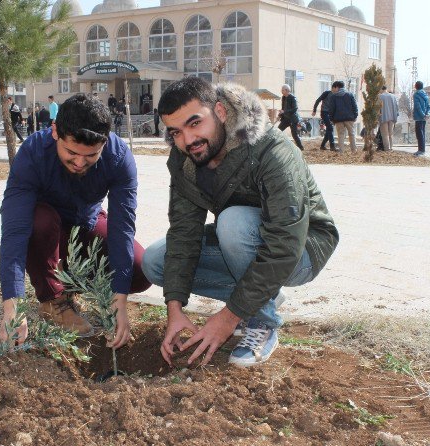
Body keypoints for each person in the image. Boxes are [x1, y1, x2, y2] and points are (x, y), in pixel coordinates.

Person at [141, 78, 339, 367]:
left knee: (233, 222)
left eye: (195, 123)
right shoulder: (185, 159)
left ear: (220, 112)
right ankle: (262, 296)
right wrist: (174, 307)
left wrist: (228, 316)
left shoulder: (272, 149)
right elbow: (184, 233)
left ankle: (260, 318)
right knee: (155, 261)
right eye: (176, 132)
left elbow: (285, 244)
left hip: (303, 247)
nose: (188, 140)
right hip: (243, 242)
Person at [0, 93, 151, 346]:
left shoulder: (118, 157)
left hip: (85, 225)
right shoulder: (33, 153)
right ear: (55, 131)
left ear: (104, 142)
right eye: (71, 153)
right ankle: (52, 299)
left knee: (140, 269)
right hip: (45, 233)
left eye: (91, 155)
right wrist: (12, 309)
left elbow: (122, 227)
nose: (80, 163)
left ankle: (69, 286)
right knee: (40, 220)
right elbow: (15, 230)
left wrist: (119, 300)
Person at [327, 81, 359, 152]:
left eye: (334, 88)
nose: (333, 90)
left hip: (338, 119)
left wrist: (331, 118)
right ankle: (354, 150)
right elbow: (355, 106)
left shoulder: (333, 97)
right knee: (352, 134)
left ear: (337, 87)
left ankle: (341, 151)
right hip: (349, 118)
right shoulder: (350, 94)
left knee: (340, 135)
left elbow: (331, 109)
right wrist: (355, 115)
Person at [277, 84, 304, 150]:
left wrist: (284, 112)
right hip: (285, 119)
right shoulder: (283, 98)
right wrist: (280, 115)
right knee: (278, 131)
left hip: (292, 119)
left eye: (282, 90)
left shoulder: (293, 98)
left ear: (287, 90)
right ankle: (278, 146)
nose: (281, 91)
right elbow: (283, 108)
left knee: (294, 134)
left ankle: (300, 147)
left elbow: (294, 109)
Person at [412, 80, 430, 156]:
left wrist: (423, 115)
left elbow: (418, 107)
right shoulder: (426, 95)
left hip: (419, 117)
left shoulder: (416, 94)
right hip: (424, 118)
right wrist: (427, 114)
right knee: (422, 133)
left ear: (416, 86)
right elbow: (429, 107)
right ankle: (422, 149)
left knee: (419, 134)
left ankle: (421, 150)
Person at [378, 86, 399, 151]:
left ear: (381, 89)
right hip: (392, 117)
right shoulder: (393, 96)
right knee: (390, 133)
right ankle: (391, 147)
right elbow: (396, 107)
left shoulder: (380, 96)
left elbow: (378, 108)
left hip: (383, 117)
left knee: (385, 134)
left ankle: (387, 149)